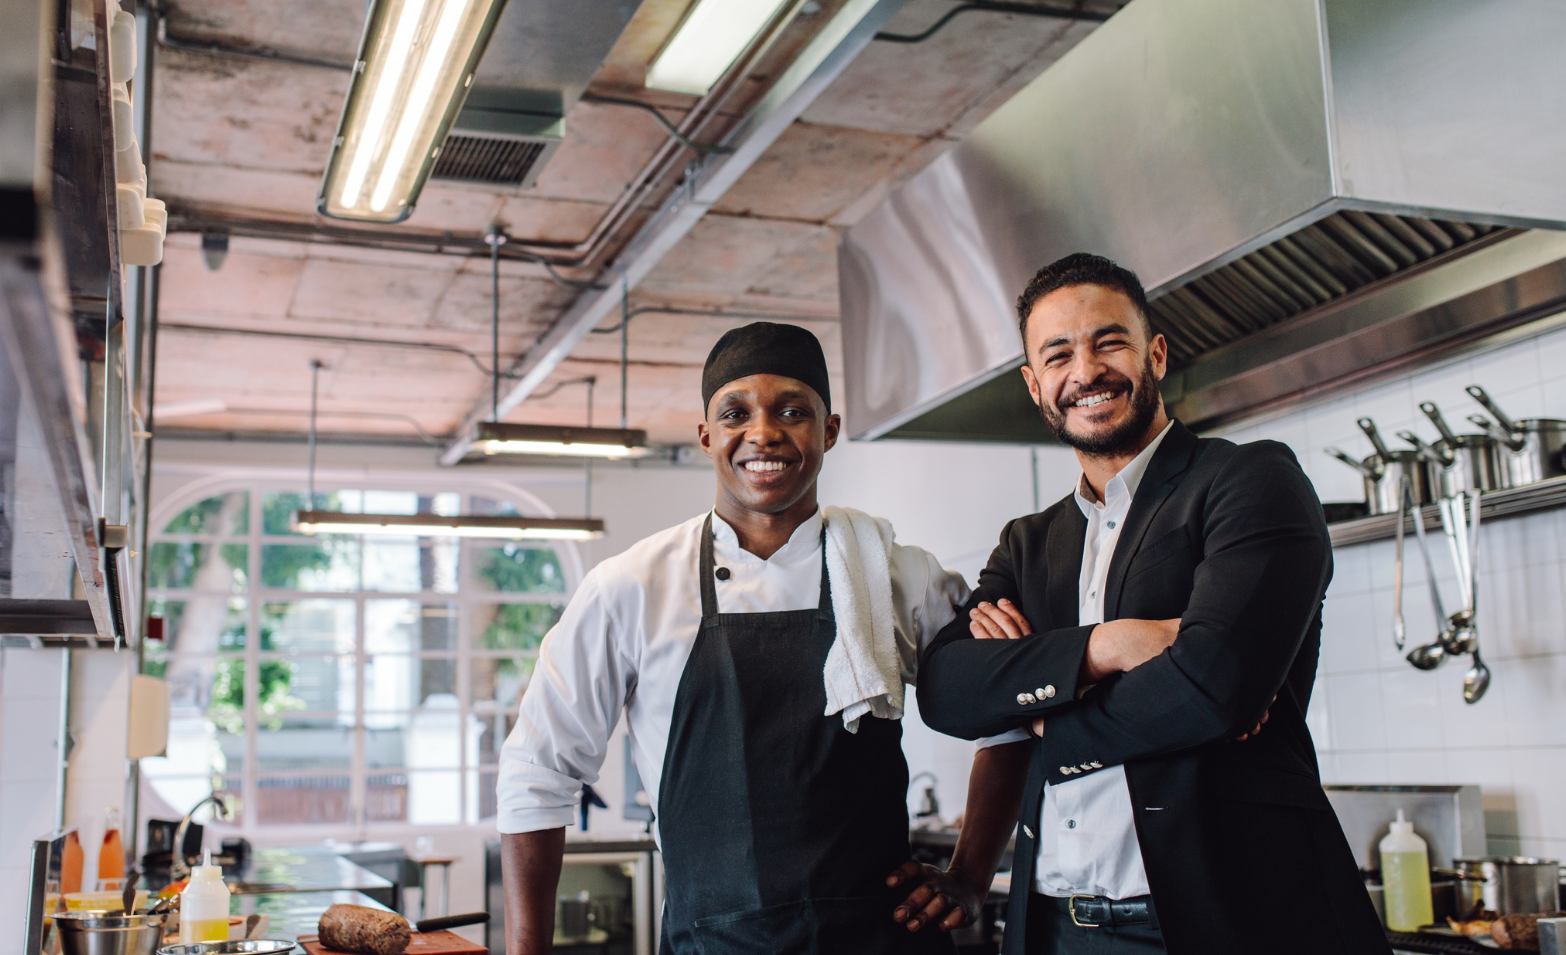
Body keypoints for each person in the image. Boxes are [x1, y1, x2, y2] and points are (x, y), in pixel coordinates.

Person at [495, 322, 1031, 955]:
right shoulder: (631, 587)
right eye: (735, 413)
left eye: (793, 411)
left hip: (882, 941)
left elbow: (1008, 713)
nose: (764, 433)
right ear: (706, 436)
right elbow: (537, 772)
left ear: (829, 431)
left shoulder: (897, 574)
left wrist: (970, 874)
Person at [916, 254, 1390, 955]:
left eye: (1109, 341)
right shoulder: (1029, 542)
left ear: (1156, 354)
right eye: (1058, 354)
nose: (1086, 370)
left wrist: (1043, 714)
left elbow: (1212, 686)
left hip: (1229, 919)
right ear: (1034, 385)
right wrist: (1102, 648)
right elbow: (946, 688)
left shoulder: (1248, 481)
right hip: (1051, 928)